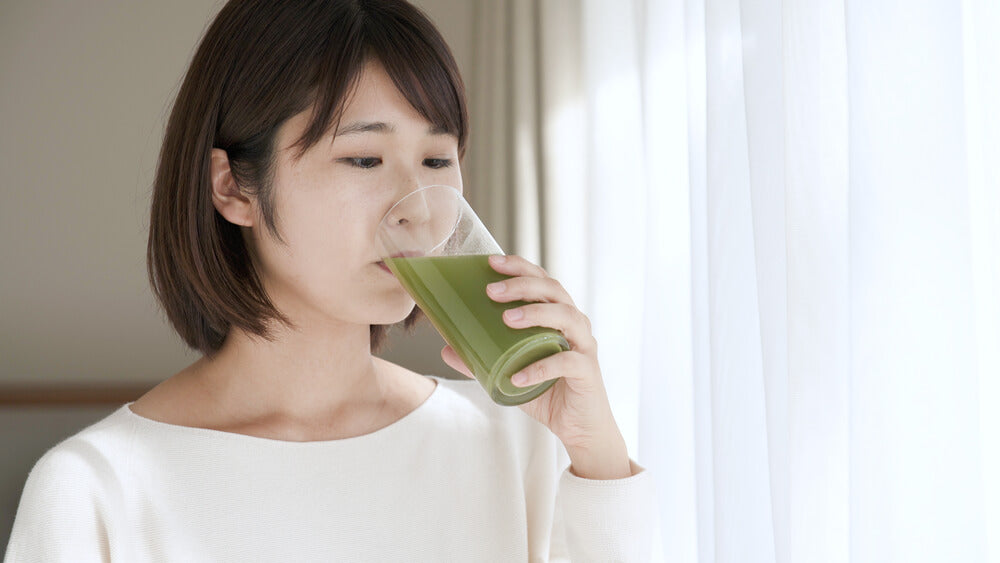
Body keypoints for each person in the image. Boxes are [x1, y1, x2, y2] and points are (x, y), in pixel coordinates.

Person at [5, 0, 658, 560]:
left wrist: (597, 459)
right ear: (232, 186)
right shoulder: (96, 490)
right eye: (364, 157)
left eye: (437, 158)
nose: (417, 203)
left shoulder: (510, 443)